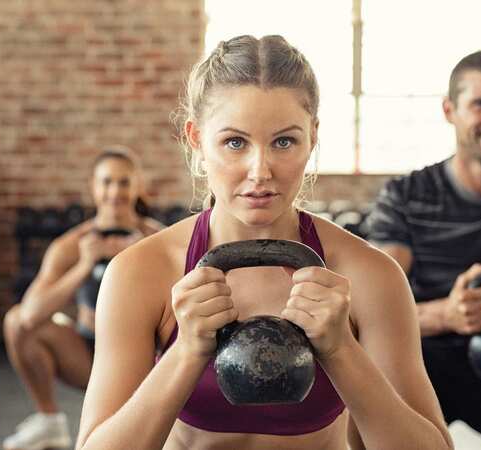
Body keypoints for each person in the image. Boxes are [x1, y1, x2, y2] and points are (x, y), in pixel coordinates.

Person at [75, 35, 453, 450]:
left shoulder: (368, 274)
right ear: (197, 140)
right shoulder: (140, 272)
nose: (260, 171)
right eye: (235, 142)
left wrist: (341, 349)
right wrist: (185, 352)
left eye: (284, 141)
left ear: (313, 136)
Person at [364, 49, 481, 447]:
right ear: (450, 110)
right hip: (422, 368)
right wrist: (446, 314)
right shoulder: (407, 196)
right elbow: (371, 313)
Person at [2, 148, 163, 450]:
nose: (115, 192)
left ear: (137, 186)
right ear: (93, 186)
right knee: (14, 320)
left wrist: (142, 260)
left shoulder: (157, 241)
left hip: (147, 359)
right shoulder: (71, 246)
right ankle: (49, 421)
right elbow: (29, 316)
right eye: (107, 182)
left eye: (123, 182)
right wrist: (83, 265)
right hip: (89, 354)